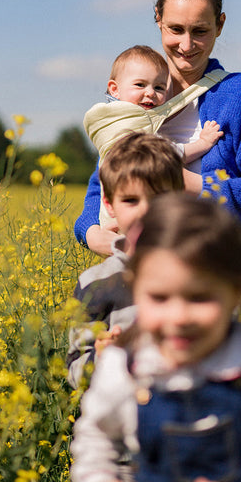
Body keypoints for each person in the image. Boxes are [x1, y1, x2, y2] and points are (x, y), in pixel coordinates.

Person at [70, 193, 241, 482]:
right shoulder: (125, 364)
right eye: (159, 298)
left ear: (235, 292)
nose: (178, 318)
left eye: (199, 298)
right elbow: (94, 439)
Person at [75, 0, 241, 271]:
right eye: (175, 29)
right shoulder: (137, 92)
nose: (186, 45)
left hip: (222, 278)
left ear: (220, 25)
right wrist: (90, 232)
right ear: (157, 19)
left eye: (199, 31)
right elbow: (104, 181)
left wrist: (189, 184)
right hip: (145, 282)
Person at [66, 132, 185, 389]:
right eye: (131, 200)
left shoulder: (197, 275)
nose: (145, 211)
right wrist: (101, 356)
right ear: (109, 205)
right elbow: (76, 371)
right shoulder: (95, 282)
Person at [84, 44, 224, 228]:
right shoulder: (126, 121)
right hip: (126, 216)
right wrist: (203, 143)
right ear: (114, 89)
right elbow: (165, 155)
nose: (150, 92)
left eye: (159, 87)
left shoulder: (109, 118)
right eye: (140, 85)